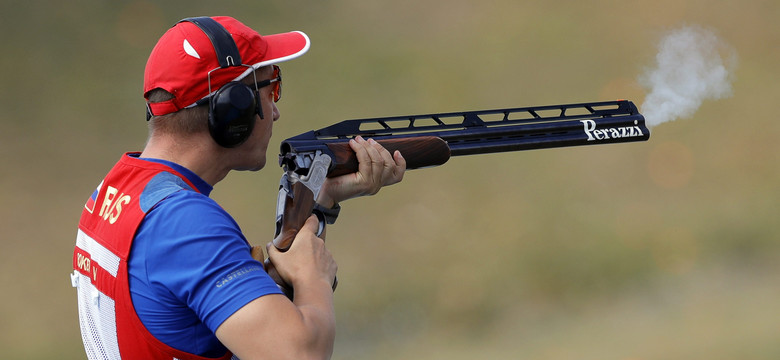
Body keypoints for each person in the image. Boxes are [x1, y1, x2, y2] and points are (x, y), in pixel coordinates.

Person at [71, 16, 406, 360]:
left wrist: (319, 203)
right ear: (234, 109)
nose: (275, 112)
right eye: (271, 87)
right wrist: (314, 277)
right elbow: (301, 355)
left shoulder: (116, 192)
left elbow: (201, 301)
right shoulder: (184, 225)